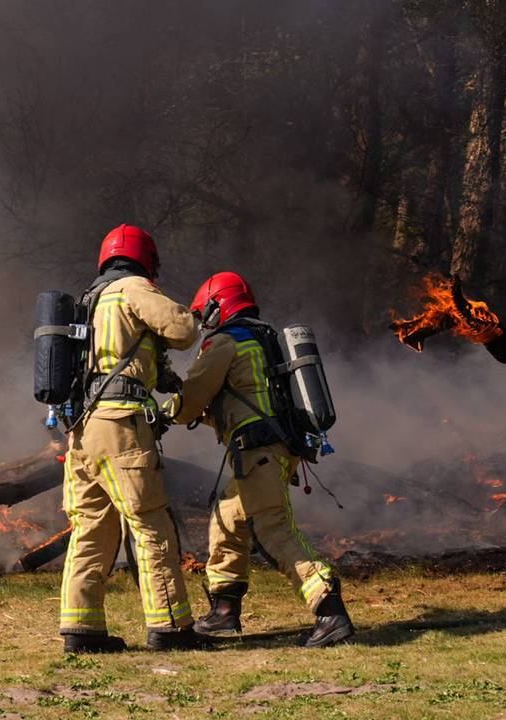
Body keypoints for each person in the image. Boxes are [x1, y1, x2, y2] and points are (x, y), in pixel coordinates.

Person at [165, 271, 354, 647]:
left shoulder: (224, 342)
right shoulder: (261, 338)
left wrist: (167, 409)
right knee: (227, 519)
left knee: (275, 531)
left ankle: (329, 609)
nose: (205, 323)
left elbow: (193, 398)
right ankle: (223, 611)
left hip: (258, 452)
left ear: (219, 305)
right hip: (273, 450)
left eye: (206, 313)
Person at [58, 224, 209, 653]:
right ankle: (171, 627)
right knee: (151, 525)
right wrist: (196, 318)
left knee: (91, 529)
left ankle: (81, 631)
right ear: (146, 260)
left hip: (83, 430)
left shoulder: (90, 301)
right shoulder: (131, 288)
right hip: (120, 426)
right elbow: (182, 330)